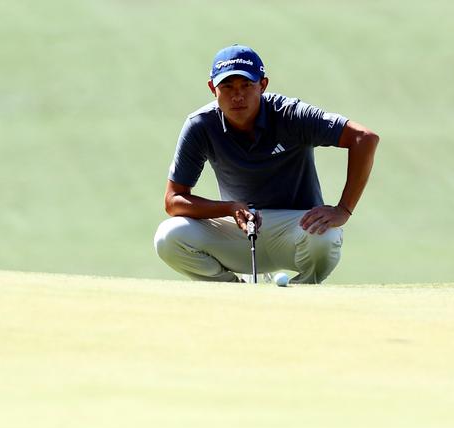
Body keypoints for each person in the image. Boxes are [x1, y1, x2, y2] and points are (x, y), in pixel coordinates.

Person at [155, 44, 379, 284]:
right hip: (240, 229)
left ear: (263, 85)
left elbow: (364, 138)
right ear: (213, 88)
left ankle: (301, 297)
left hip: (297, 228)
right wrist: (229, 208)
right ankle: (232, 293)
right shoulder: (200, 125)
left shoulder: (291, 114)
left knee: (326, 237)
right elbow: (173, 201)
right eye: (227, 87)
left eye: (246, 86)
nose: (237, 95)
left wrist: (343, 209)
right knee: (169, 237)